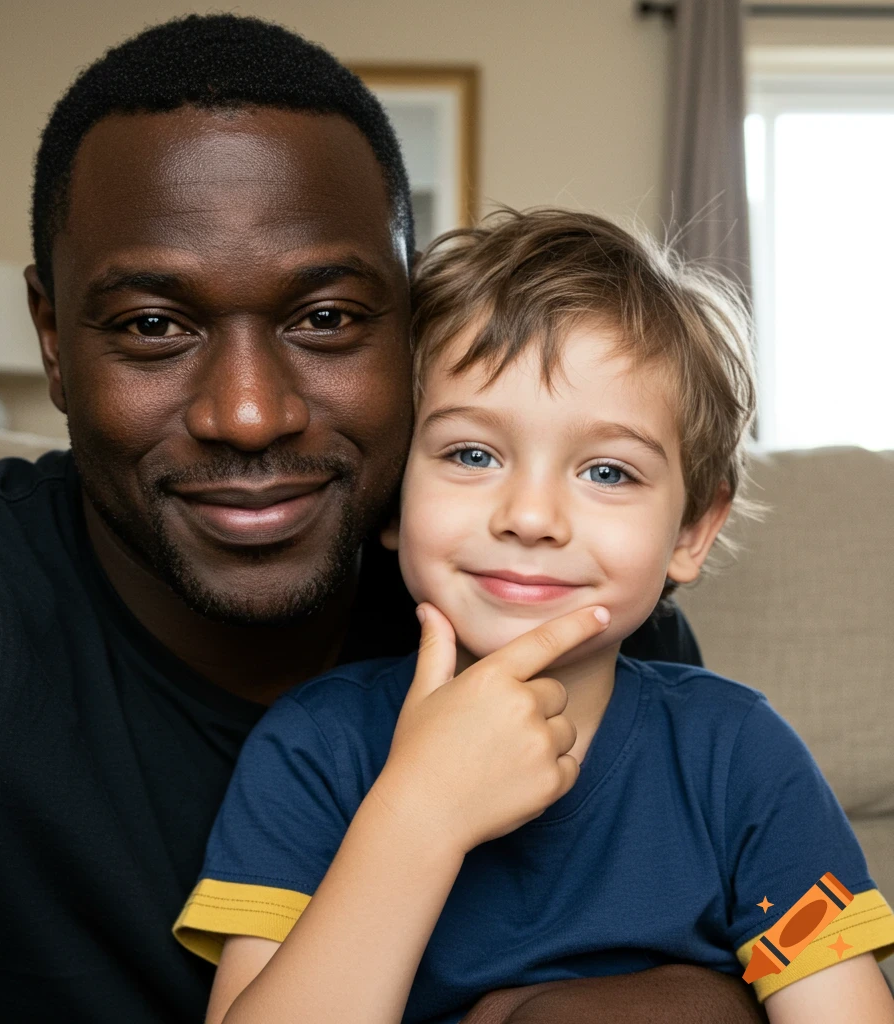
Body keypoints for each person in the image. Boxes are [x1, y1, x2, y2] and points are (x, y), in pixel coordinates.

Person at [0, 13, 766, 1023]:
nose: (248, 414)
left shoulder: (553, 602)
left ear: (410, 324)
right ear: (50, 339)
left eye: (327, 318)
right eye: (153, 326)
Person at [176, 209, 894, 1024]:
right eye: (471, 455)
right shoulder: (317, 749)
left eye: (608, 471)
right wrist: (420, 811)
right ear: (390, 494)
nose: (530, 514)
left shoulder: (739, 754)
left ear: (692, 531)